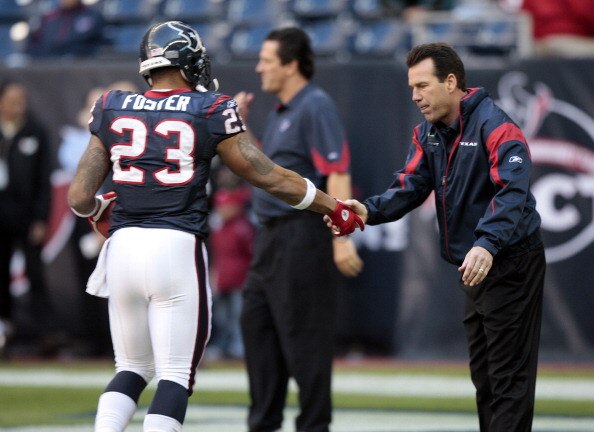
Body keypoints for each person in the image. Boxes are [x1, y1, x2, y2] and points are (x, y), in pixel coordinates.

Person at [66, 21, 363, 432]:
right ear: (188, 63)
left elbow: (79, 198)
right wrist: (332, 206)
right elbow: (270, 176)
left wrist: (101, 208)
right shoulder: (207, 109)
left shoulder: (113, 104)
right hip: (174, 248)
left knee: (131, 368)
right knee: (173, 375)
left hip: (122, 249)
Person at [328, 43, 545, 432]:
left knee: (508, 379)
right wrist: (367, 210)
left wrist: (486, 243)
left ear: (451, 82)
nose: (415, 96)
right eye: (412, 87)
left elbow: (513, 192)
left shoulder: (498, 127)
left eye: (423, 85)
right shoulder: (427, 133)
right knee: (486, 379)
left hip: (509, 261)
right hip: (474, 266)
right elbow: (410, 185)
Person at [234, 27, 364, 432]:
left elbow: (337, 171)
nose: (259, 68)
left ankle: (313, 427)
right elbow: (265, 170)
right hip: (269, 239)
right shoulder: (281, 112)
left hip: (302, 236)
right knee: (258, 334)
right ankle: (263, 424)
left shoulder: (315, 106)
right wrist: (240, 129)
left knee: (305, 346)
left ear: (291, 66)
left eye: (267, 61)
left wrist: (341, 239)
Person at [0, 80, 53, 355]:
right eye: (13, 98)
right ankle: (5, 329)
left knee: (35, 274)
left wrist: (41, 219)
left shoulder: (35, 131)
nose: (19, 103)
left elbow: (45, 181)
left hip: (28, 215)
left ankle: (43, 334)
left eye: (23, 98)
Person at [207, 170, 253, 360]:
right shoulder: (218, 227)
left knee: (238, 314)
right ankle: (222, 345)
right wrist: (213, 272)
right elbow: (216, 252)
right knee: (220, 316)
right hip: (222, 273)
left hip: (240, 274)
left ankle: (238, 346)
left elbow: (249, 252)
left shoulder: (243, 226)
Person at [26, 0, 108, 58]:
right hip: (48, 69)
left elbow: (98, 48)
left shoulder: (93, 16)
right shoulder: (48, 18)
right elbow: (34, 46)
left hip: (80, 70)